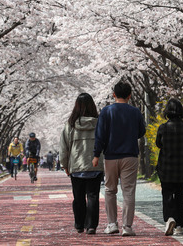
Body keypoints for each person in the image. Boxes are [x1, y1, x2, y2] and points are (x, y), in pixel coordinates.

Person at [92, 82, 146, 236]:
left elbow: (100, 135)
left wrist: (96, 154)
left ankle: (112, 224)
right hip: (130, 155)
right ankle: (127, 227)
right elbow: (141, 131)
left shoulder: (106, 111)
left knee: (110, 190)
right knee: (128, 191)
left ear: (113, 94)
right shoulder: (135, 112)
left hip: (110, 157)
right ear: (130, 95)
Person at [59, 93, 104, 235]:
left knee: (78, 197)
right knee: (93, 196)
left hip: (76, 166)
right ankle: (91, 226)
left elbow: (64, 147)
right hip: (95, 166)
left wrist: (65, 165)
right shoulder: (99, 123)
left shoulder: (70, 125)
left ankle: (79, 224)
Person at [155, 98, 183, 236]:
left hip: (166, 167)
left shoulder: (163, 128)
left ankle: (169, 218)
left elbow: (158, 144)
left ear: (167, 112)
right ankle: (179, 226)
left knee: (167, 195)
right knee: (180, 196)